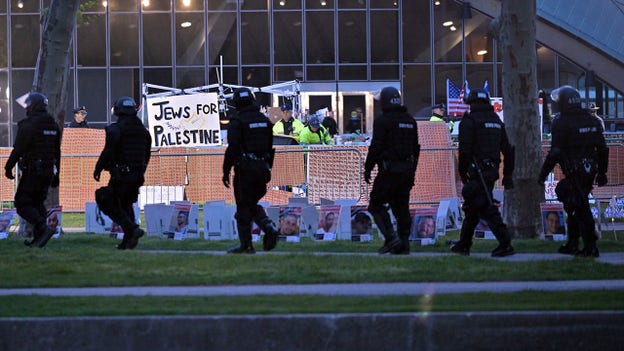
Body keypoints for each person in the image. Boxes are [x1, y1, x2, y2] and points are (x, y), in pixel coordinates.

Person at [538, 85, 609, 257]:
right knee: (575, 203)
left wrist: (542, 174)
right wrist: (602, 173)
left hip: (574, 170)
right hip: (589, 170)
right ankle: (572, 243)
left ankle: (590, 246)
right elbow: (603, 149)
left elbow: (555, 152)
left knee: (578, 204)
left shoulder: (561, 122)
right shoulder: (591, 120)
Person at [451, 88, 515, 257]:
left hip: (477, 171)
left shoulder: (469, 121)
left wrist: (462, 173)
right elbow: (508, 151)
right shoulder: (496, 121)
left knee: (486, 207)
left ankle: (505, 243)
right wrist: (507, 175)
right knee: (472, 207)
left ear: (471, 103)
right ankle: (464, 243)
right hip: (491, 170)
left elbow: (464, 151)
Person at [222, 87, 280, 254]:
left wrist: (225, 171)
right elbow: (269, 148)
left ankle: (247, 244)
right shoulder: (264, 120)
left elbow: (232, 149)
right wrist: (267, 168)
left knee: (243, 207)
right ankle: (267, 227)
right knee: (250, 204)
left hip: (245, 170)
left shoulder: (238, 122)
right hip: (262, 169)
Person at [364, 86, 420, 255]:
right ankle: (404, 244)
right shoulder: (410, 121)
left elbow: (376, 147)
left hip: (389, 171)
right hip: (407, 171)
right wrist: (412, 171)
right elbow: (416, 149)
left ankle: (391, 238)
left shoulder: (383, 120)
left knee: (376, 204)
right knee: (401, 206)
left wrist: (368, 168)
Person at [93, 97, 151, 250]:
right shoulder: (144, 131)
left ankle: (131, 229)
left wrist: (98, 168)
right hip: (137, 176)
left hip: (122, 175)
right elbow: (146, 155)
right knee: (125, 205)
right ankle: (128, 241)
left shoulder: (116, 129)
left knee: (104, 198)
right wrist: (140, 172)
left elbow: (108, 151)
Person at [4, 92, 61, 248]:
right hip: (48, 172)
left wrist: (8, 167)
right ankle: (39, 240)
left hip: (33, 171)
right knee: (37, 203)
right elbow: (57, 152)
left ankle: (42, 227)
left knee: (22, 203)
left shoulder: (28, 125)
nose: (26, 108)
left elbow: (18, 149)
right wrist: (58, 175)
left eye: (28, 105)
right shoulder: (53, 125)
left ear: (33, 106)